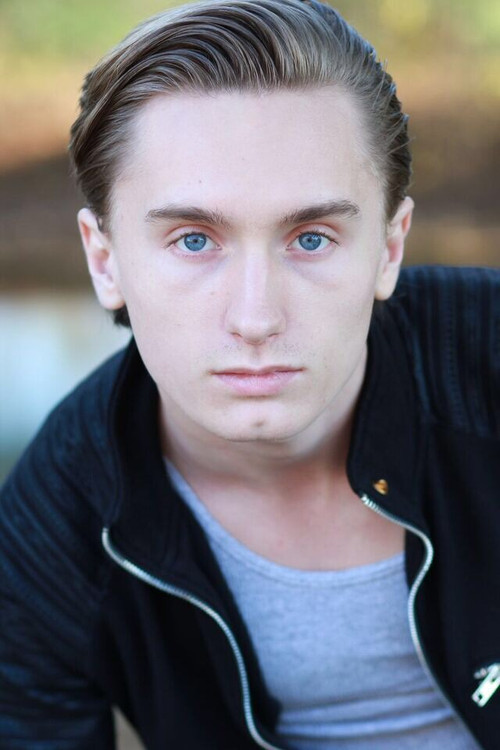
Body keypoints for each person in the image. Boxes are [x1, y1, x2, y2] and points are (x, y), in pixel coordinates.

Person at [1, 0, 498, 747]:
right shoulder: (53, 524)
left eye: (312, 237)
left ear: (389, 248)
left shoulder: (488, 364)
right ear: (105, 261)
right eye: (194, 240)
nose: (257, 318)